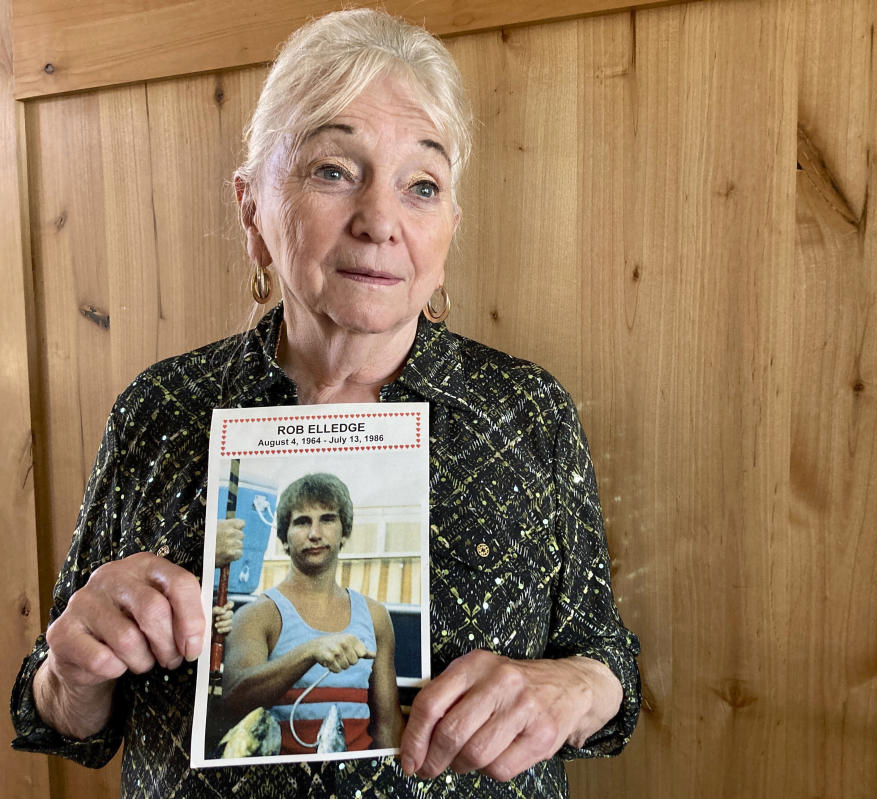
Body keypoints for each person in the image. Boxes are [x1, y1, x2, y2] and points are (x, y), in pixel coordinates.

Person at [11, 8, 641, 797]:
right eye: (333, 170)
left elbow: (608, 663)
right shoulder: (162, 409)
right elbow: (61, 717)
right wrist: (72, 672)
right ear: (252, 210)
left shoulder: (525, 412)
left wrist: (580, 686)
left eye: (422, 184)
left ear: (449, 224)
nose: (381, 221)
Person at [220, 473, 403, 753]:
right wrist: (310, 651)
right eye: (302, 521)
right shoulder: (257, 615)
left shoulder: (376, 616)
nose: (315, 533)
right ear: (284, 537)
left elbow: (387, 725)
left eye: (327, 519)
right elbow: (233, 703)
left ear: (344, 532)